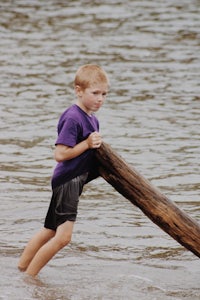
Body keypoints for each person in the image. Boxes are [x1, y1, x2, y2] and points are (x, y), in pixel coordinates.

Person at [18, 64, 109, 277]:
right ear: (79, 90)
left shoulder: (92, 118)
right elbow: (60, 154)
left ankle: (21, 269)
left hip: (72, 181)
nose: (100, 99)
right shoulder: (73, 117)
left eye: (104, 94)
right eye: (95, 93)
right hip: (67, 180)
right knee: (63, 237)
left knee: (49, 230)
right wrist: (87, 144)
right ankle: (30, 279)